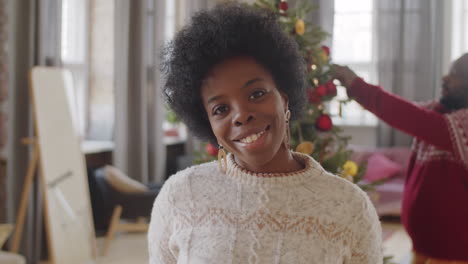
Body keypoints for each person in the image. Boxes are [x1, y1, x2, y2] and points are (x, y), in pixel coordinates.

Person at [148, 3, 382, 264]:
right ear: (208, 124)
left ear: (284, 99)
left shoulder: (349, 207)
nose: (241, 115)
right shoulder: (179, 196)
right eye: (221, 109)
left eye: (257, 93)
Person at [334, 54, 468, 264]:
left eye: (455, 75)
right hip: (424, 243)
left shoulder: (463, 124)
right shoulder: (440, 111)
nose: (445, 78)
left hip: (452, 252)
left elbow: (407, 116)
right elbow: (406, 109)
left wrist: (356, 85)